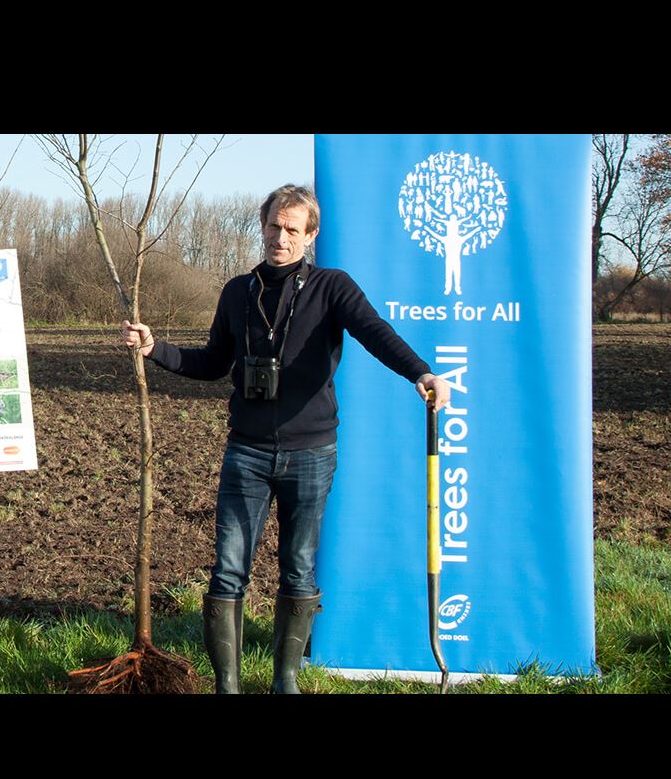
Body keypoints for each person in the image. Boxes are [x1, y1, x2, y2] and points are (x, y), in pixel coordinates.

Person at [121, 184, 450, 694]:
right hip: (246, 453)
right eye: (274, 226)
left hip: (311, 453)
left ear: (310, 236)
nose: (280, 237)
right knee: (229, 569)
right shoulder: (238, 291)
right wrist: (155, 348)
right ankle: (226, 686)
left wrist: (419, 372)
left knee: (298, 568)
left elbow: (373, 330)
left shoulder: (331, 287)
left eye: (292, 229)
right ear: (263, 226)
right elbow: (212, 363)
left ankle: (285, 683)